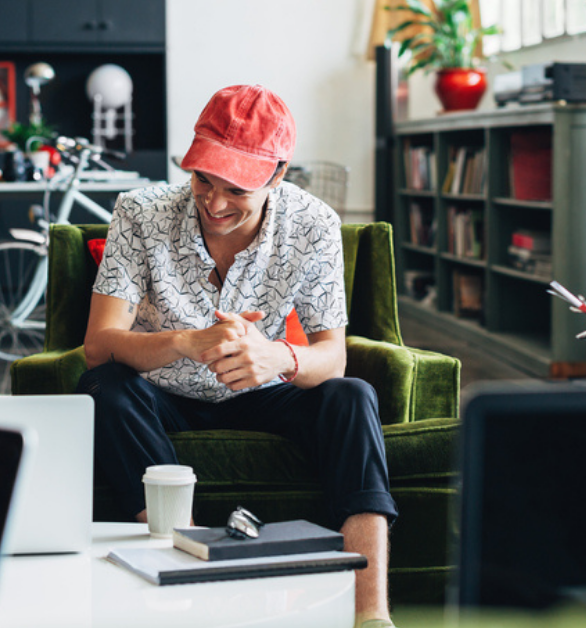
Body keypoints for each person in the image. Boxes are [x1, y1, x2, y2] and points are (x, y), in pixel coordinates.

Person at [79, 84, 397, 627]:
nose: (215, 202)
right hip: (161, 394)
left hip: (264, 393)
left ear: (278, 174)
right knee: (104, 388)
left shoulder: (314, 224)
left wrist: (279, 359)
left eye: (237, 189)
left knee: (353, 396)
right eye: (204, 178)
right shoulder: (139, 212)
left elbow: (332, 358)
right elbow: (98, 345)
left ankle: (369, 611)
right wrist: (183, 342)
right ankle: (199, 568)